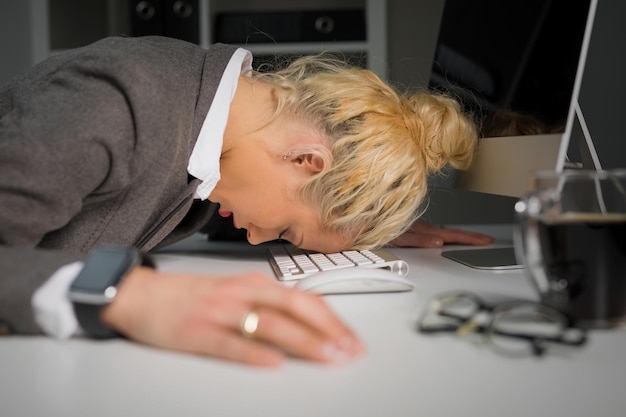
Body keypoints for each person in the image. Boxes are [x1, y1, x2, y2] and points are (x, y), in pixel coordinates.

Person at [0, 36, 492, 368]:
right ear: (305, 161)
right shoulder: (119, 102)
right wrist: (123, 296)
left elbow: (152, 190)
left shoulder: (211, 122)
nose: (254, 236)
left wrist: (347, 225)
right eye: (284, 233)